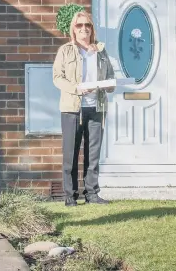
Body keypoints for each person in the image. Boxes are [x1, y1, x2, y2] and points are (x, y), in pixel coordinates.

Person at [52, 11, 114, 206]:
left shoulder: (101, 51)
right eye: (79, 25)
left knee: (93, 154)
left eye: (87, 25)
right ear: (74, 29)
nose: (84, 28)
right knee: (70, 154)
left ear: (92, 29)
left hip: (97, 108)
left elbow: (110, 75)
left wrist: (110, 85)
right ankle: (70, 197)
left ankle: (92, 194)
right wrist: (76, 88)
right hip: (72, 108)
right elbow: (57, 78)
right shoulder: (66, 51)